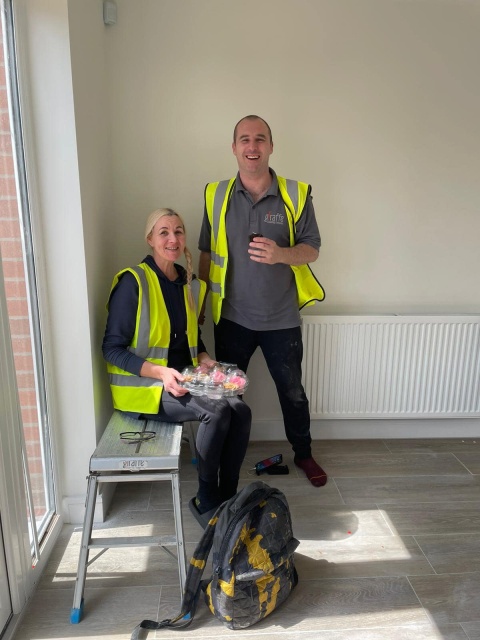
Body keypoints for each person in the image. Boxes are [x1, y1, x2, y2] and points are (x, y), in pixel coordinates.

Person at [198, 115, 327, 487]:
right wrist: (203, 304)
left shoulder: (295, 193)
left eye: (259, 139)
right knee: (226, 395)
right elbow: (206, 252)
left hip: (281, 319)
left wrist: (280, 254)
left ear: (271, 146)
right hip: (232, 317)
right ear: (234, 147)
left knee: (293, 393)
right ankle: (221, 457)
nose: (251, 147)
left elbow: (312, 250)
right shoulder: (215, 193)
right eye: (244, 139)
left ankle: (303, 452)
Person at [102, 208, 252, 527]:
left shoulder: (186, 283)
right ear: (150, 239)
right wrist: (161, 373)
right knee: (217, 411)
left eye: (179, 231)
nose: (173, 238)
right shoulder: (133, 282)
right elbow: (111, 349)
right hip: (144, 388)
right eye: (164, 232)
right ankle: (206, 498)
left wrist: (206, 360)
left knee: (241, 411)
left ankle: (228, 497)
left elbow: (190, 339)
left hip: (181, 378)